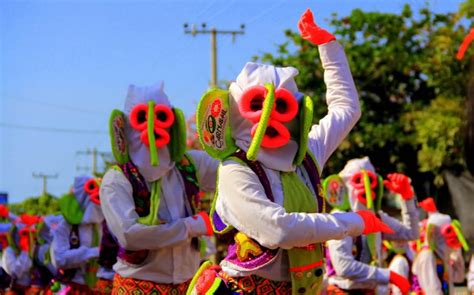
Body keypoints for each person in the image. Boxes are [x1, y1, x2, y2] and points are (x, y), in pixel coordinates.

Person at [188, 8, 394, 295]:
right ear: (237, 110)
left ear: (296, 110)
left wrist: (329, 47)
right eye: (257, 105)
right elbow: (277, 230)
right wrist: (351, 222)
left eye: (281, 106)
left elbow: (346, 110)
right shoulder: (236, 169)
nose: (269, 116)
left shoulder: (306, 156)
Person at [100, 82, 219, 294]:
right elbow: (131, 235)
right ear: (126, 126)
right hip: (137, 287)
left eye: (161, 117)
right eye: (142, 118)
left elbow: (230, 173)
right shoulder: (116, 180)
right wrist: (190, 226)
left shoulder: (190, 165)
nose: (152, 126)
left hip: (188, 286)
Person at [325, 157, 419, 295]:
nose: (366, 187)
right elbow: (344, 267)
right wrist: (388, 275)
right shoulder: (339, 218)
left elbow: (411, 233)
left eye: (370, 181)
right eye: (358, 181)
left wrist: (407, 197)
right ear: (345, 186)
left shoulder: (377, 217)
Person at [51, 176, 103, 294]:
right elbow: (59, 259)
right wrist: (93, 252)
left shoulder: (104, 224)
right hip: (73, 287)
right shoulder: (65, 226)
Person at [412, 197, 468, 295]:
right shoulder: (427, 256)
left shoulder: (442, 257)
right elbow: (433, 291)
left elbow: (459, 278)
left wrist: (457, 250)